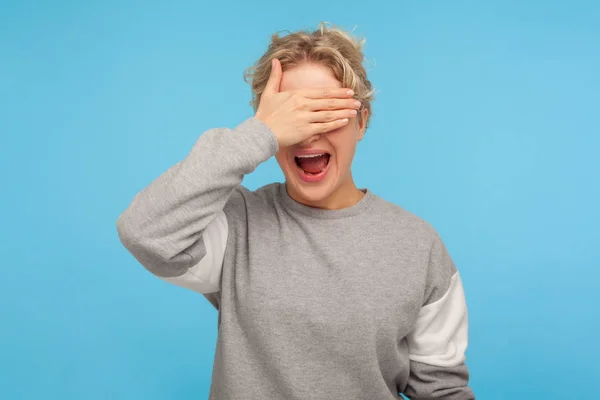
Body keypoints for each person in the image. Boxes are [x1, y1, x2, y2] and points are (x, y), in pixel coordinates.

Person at [116, 23, 475, 400]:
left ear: (362, 122)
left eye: (325, 112)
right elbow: (144, 232)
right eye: (293, 116)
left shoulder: (417, 246)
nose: (308, 134)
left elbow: (441, 390)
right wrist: (258, 134)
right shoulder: (237, 225)